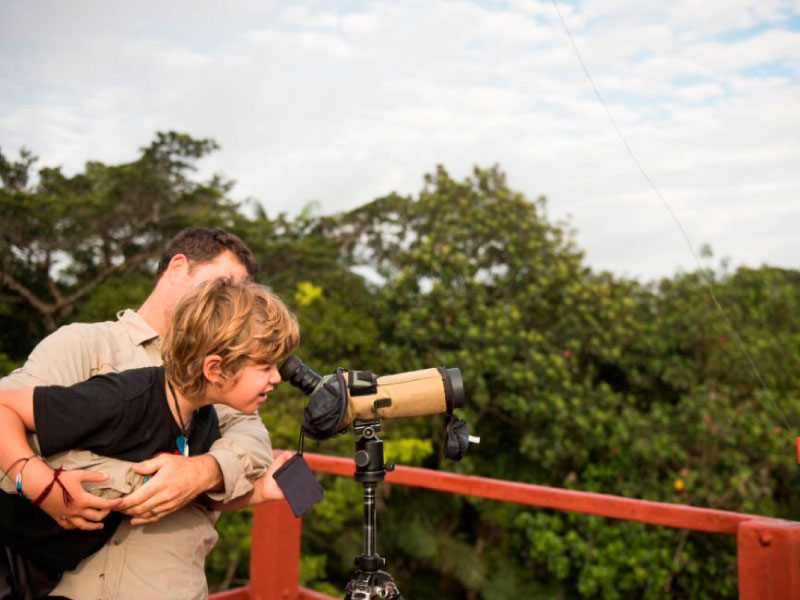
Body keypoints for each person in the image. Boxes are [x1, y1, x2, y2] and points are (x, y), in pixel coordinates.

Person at [0, 227, 275, 600]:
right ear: (178, 267)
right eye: (225, 284)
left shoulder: (225, 375)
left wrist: (202, 471)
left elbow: (253, 442)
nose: (231, 302)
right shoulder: (85, 343)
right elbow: (5, 416)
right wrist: (39, 483)